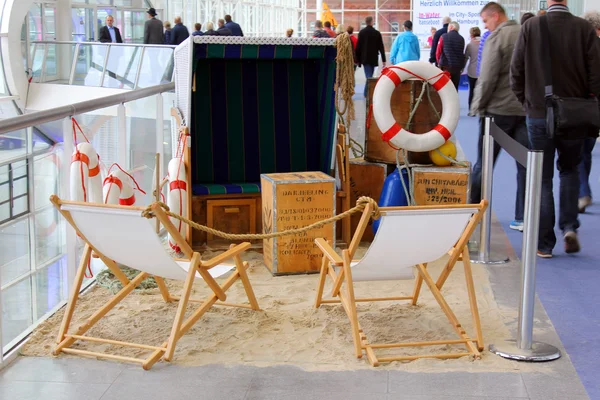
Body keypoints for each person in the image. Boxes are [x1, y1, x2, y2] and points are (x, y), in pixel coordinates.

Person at [511, 0, 600, 257]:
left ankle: (544, 244)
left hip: (539, 114)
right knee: (570, 171)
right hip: (575, 114)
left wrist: (528, 102)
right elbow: (596, 75)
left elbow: (516, 72)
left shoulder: (531, 27)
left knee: (543, 178)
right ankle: (570, 227)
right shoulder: (584, 29)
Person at [470, 2, 528, 232]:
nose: (485, 26)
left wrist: (477, 107)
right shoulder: (525, 34)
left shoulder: (497, 38)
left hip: (496, 112)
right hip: (524, 112)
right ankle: (523, 216)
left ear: (495, 16)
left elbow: (488, 77)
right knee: (525, 166)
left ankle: (473, 213)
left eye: (485, 21)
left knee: (483, 166)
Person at [578, 10, 600, 212]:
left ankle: (583, 192)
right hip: (595, 110)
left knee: (579, 152)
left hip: (579, 107)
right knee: (586, 151)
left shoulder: (580, 49)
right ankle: (583, 191)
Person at [356, 16, 386, 97]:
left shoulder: (361, 33)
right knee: (369, 75)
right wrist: (384, 59)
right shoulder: (376, 33)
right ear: (372, 22)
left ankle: (367, 93)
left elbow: (358, 47)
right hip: (373, 58)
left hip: (364, 58)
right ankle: (368, 93)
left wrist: (357, 60)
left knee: (369, 75)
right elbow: (381, 47)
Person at [438, 21, 465, 89]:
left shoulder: (443, 37)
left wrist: (439, 63)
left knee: (445, 89)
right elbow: (461, 53)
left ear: (451, 27)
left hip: (445, 67)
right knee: (455, 89)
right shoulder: (461, 39)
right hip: (457, 68)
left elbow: (438, 52)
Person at [464, 27, 481, 108]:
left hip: (472, 71)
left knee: (472, 90)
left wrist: (462, 68)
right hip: (483, 71)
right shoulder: (485, 43)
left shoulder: (470, 45)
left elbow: (466, 58)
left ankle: (471, 109)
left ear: (471, 35)